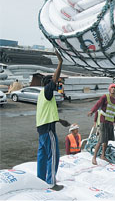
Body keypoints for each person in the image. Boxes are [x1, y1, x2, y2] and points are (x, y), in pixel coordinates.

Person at [36, 50, 70, 191]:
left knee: (42, 156)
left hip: (42, 129)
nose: (56, 84)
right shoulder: (47, 91)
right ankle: (51, 183)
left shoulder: (42, 96)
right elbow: (55, 79)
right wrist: (60, 62)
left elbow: (47, 113)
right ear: (49, 83)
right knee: (53, 155)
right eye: (53, 83)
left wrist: (60, 120)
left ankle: (40, 180)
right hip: (48, 130)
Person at [87, 84, 115, 165]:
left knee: (106, 140)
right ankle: (94, 157)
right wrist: (92, 111)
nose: (114, 89)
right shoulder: (105, 97)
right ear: (109, 89)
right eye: (112, 87)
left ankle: (103, 155)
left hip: (110, 122)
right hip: (103, 121)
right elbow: (98, 105)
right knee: (101, 140)